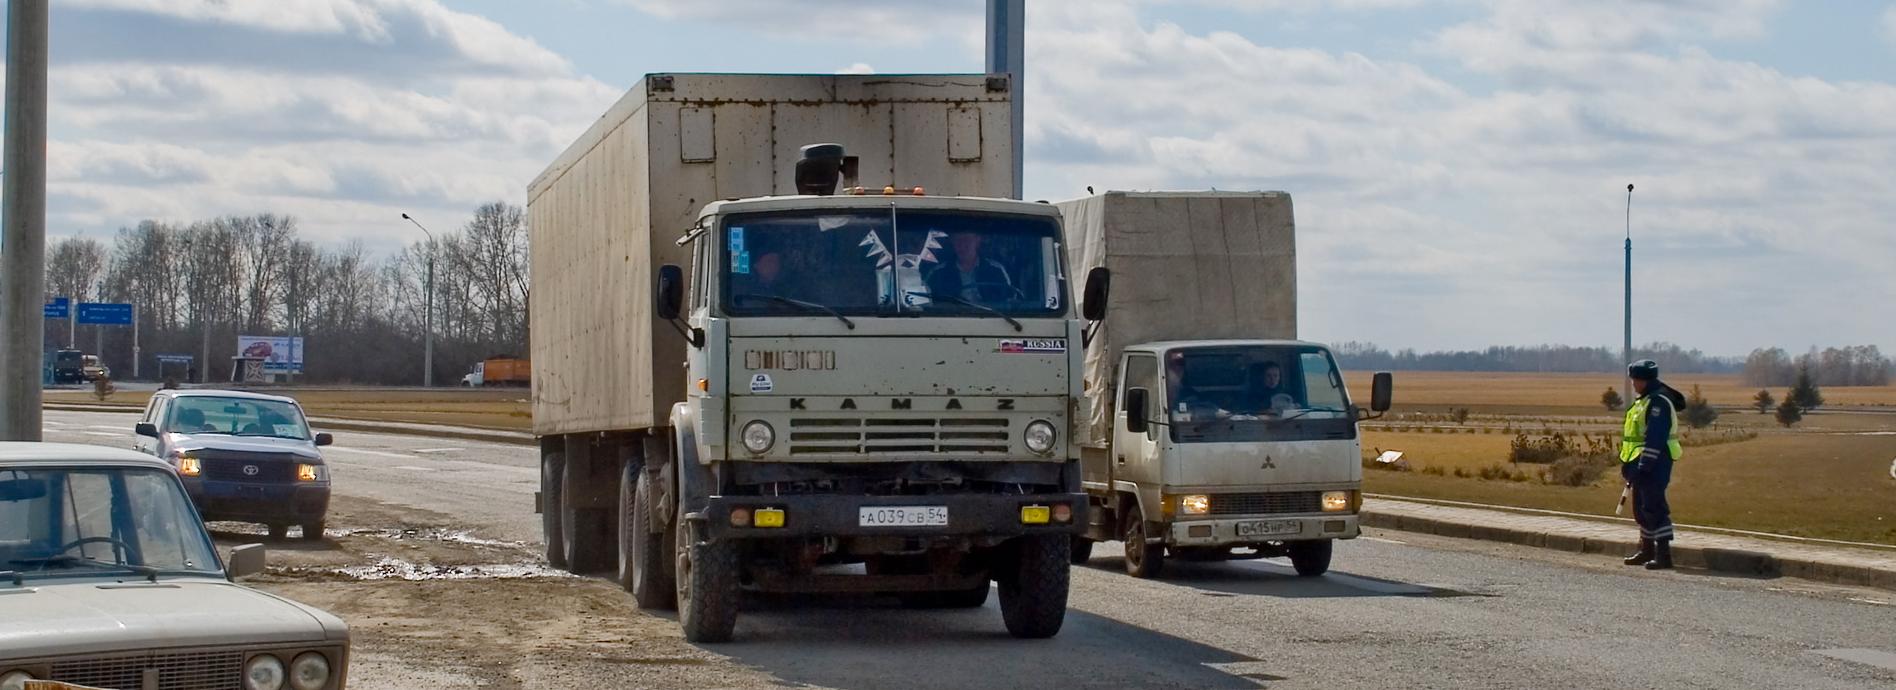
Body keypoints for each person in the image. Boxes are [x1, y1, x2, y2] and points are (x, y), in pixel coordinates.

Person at [1620, 359, 1687, 570]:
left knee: (1654, 507)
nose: (1632, 383)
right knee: (1641, 508)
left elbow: (1655, 437)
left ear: (1642, 380)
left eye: (1634, 379)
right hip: (1638, 461)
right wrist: (1628, 464)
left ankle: (1663, 554)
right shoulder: (1644, 400)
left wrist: (1644, 465)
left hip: (1655, 461)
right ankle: (1646, 549)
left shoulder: (1657, 402)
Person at [926, 231, 1014, 305]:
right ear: (952, 243)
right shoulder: (937, 273)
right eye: (957, 240)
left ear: (977, 240)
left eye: (966, 240)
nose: (962, 245)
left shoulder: (996, 270)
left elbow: (1009, 302)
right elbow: (928, 304)